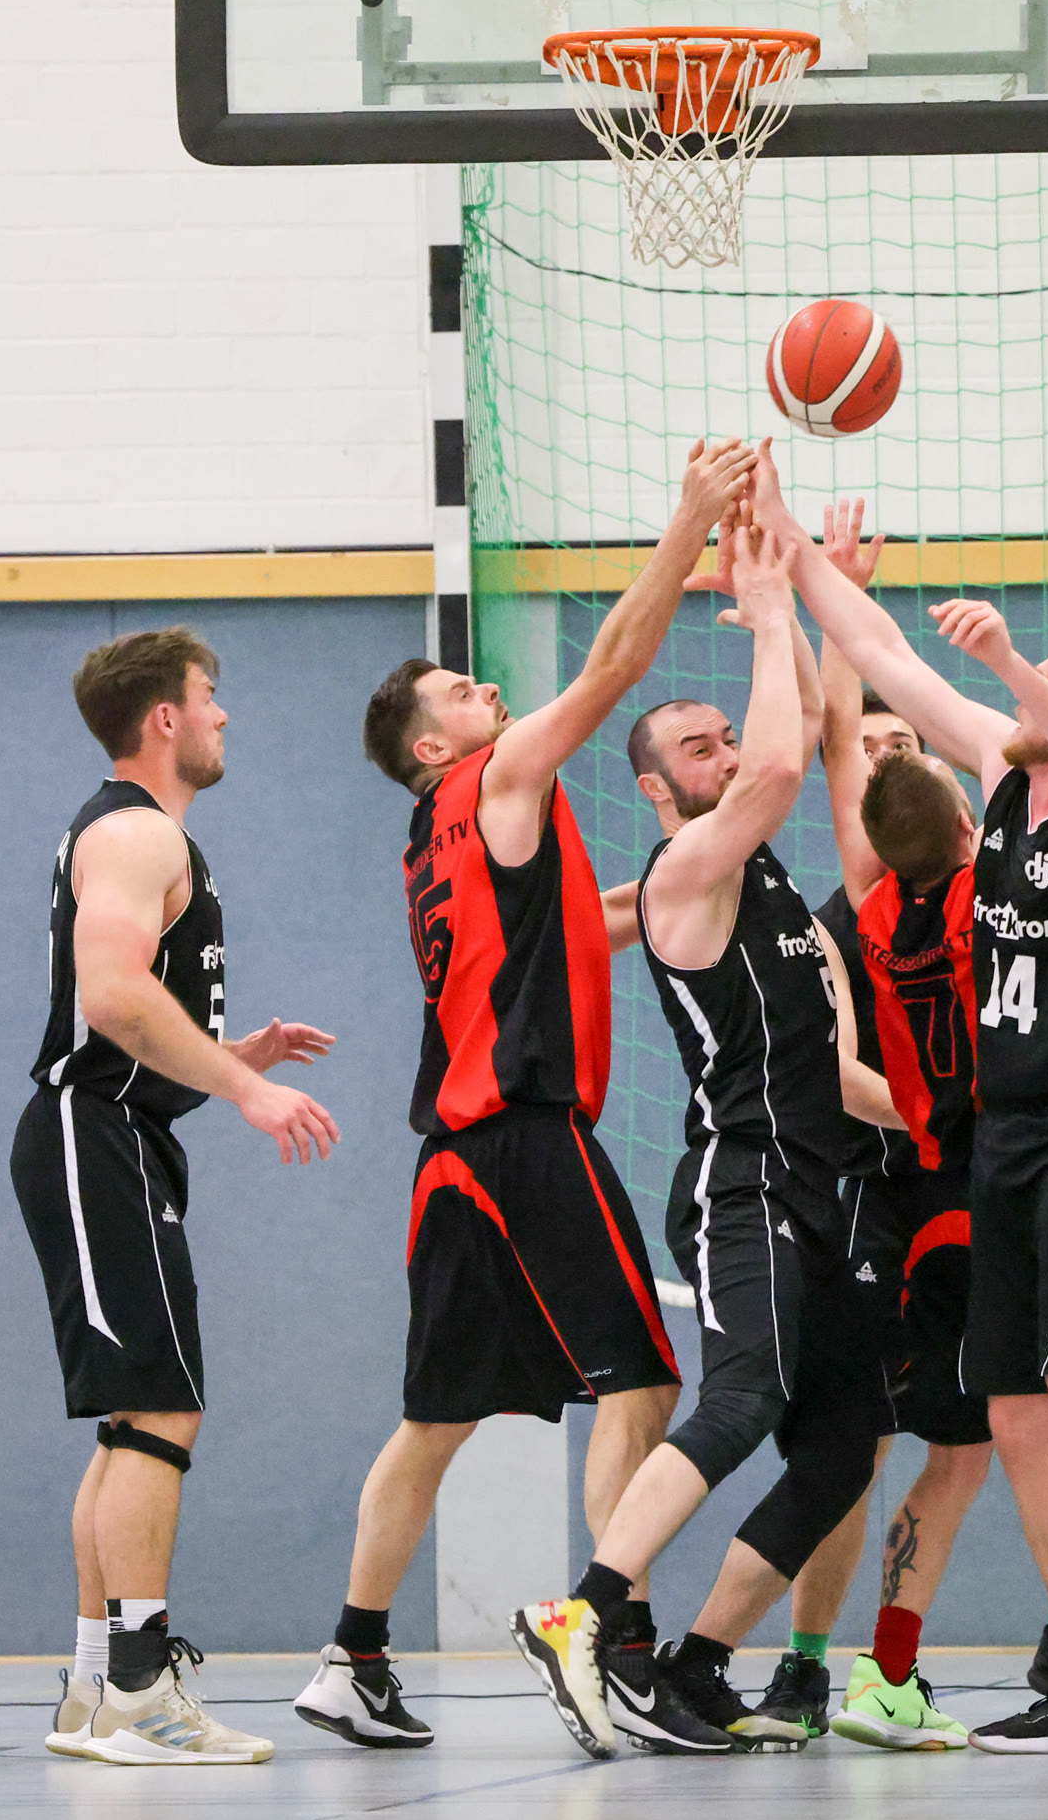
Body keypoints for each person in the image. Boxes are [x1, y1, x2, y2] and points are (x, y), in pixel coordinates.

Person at [750, 454, 1048, 1756]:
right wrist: (792, 545)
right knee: (1015, 1411)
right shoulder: (1004, 785)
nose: (1013, 703)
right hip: (1002, 1139)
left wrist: (1028, 656)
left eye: (1043, 693)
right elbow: (879, 653)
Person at [291, 438, 755, 1751]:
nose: (487, 686)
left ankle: (351, 1654)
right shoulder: (495, 777)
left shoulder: (434, 839)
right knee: (644, 1384)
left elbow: (575, 926)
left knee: (433, 1419)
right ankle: (618, 1648)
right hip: (526, 1137)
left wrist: (703, 863)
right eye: (462, 687)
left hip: (451, 1158)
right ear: (432, 740)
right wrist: (688, 524)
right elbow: (613, 668)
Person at [512, 513, 899, 1759]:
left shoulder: (769, 879)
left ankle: (694, 1664)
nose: (726, 751)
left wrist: (818, 601)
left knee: (840, 1449)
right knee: (740, 1395)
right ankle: (585, 1611)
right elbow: (783, 762)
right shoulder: (690, 865)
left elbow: (804, 733)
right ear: (655, 787)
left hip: (829, 1190)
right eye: (696, 745)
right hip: (749, 1182)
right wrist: (775, 602)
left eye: (726, 733)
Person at [11, 627, 339, 1766]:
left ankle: (93, 1690)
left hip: (118, 1132)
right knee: (160, 1406)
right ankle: (140, 1693)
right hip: (93, 1133)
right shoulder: (136, 830)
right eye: (210, 696)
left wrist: (226, 1054)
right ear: (164, 717)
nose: (223, 714)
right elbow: (109, 995)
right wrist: (247, 1087)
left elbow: (128, 1020)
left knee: (131, 1416)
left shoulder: (139, 834)